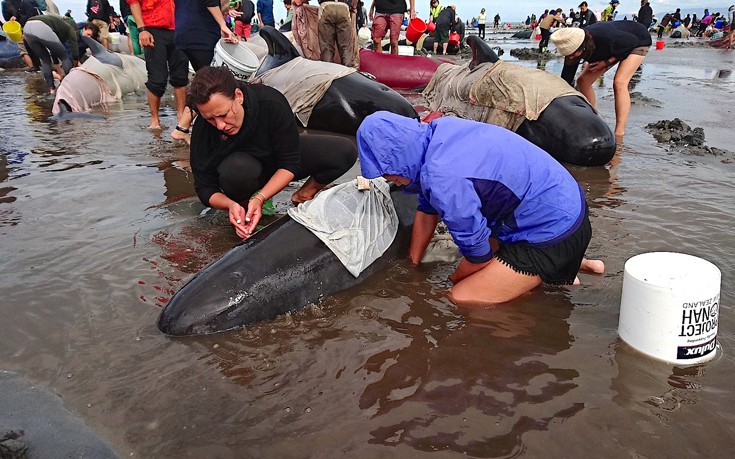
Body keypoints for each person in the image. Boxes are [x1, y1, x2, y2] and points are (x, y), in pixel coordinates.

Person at [356, 111, 605, 305]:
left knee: (460, 298)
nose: (392, 182)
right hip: (566, 209)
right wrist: (413, 264)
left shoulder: (443, 179)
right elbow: (426, 207)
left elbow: (478, 255)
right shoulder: (438, 132)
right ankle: (575, 269)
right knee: (489, 251)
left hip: (554, 235)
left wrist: (449, 280)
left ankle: (541, 279)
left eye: (390, 175)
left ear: (398, 161)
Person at [188, 66, 357, 239]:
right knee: (237, 169)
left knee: (344, 150)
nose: (220, 125)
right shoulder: (203, 130)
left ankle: (303, 195)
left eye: (223, 115)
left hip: (276, 160)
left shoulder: (270, 102)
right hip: (243, 171)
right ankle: (245, 211)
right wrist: (230, 205)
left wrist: (261, 197)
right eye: (210, 119)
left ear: (238, 96)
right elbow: (204, 187)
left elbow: (290, 162)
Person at [552, 21, 651, 137]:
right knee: (582, 81)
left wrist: (606, 62)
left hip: (637, 41)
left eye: (573, 54)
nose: (570, 57)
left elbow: (631, 42)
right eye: (568, 55)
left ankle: (619, 132)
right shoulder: (572, 49)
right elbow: (566, 81)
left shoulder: (606, 36)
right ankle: (595, 119)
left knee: (619, 82)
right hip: (611, 48)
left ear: (582, 47)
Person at [127, 0, 189, 130]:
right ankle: (154, 120)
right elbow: (133, 2)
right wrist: (142, 29)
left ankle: (181, 116)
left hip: (180, 28)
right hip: (153, 28)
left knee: (181, 76)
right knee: (157, 78)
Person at [22, 14, 80, 94]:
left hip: (27, 29)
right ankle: (71, 87)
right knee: (64, 57)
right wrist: (75, 65)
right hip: (41, 27)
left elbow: (54, 51)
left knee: (45, 60)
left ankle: (52, 89)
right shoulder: (70, 28)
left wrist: (58, 69)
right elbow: (74, 50)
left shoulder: (57, 25)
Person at [2, 0, 42, 70]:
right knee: (36, 46)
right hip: (33, 25)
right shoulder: (27, 2)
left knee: (24, 50)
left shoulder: (5, 3)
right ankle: (38, 66)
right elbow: (33, 12)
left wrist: (15, 19)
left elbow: (6, 17)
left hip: (20, 28)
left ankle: (34, 67)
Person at [317, 0, 358, 68]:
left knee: (326, 46)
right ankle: (348, 72)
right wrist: (354, 6)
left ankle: (328, 72)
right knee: (346, 47)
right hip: (343, 7)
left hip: (326, 7)